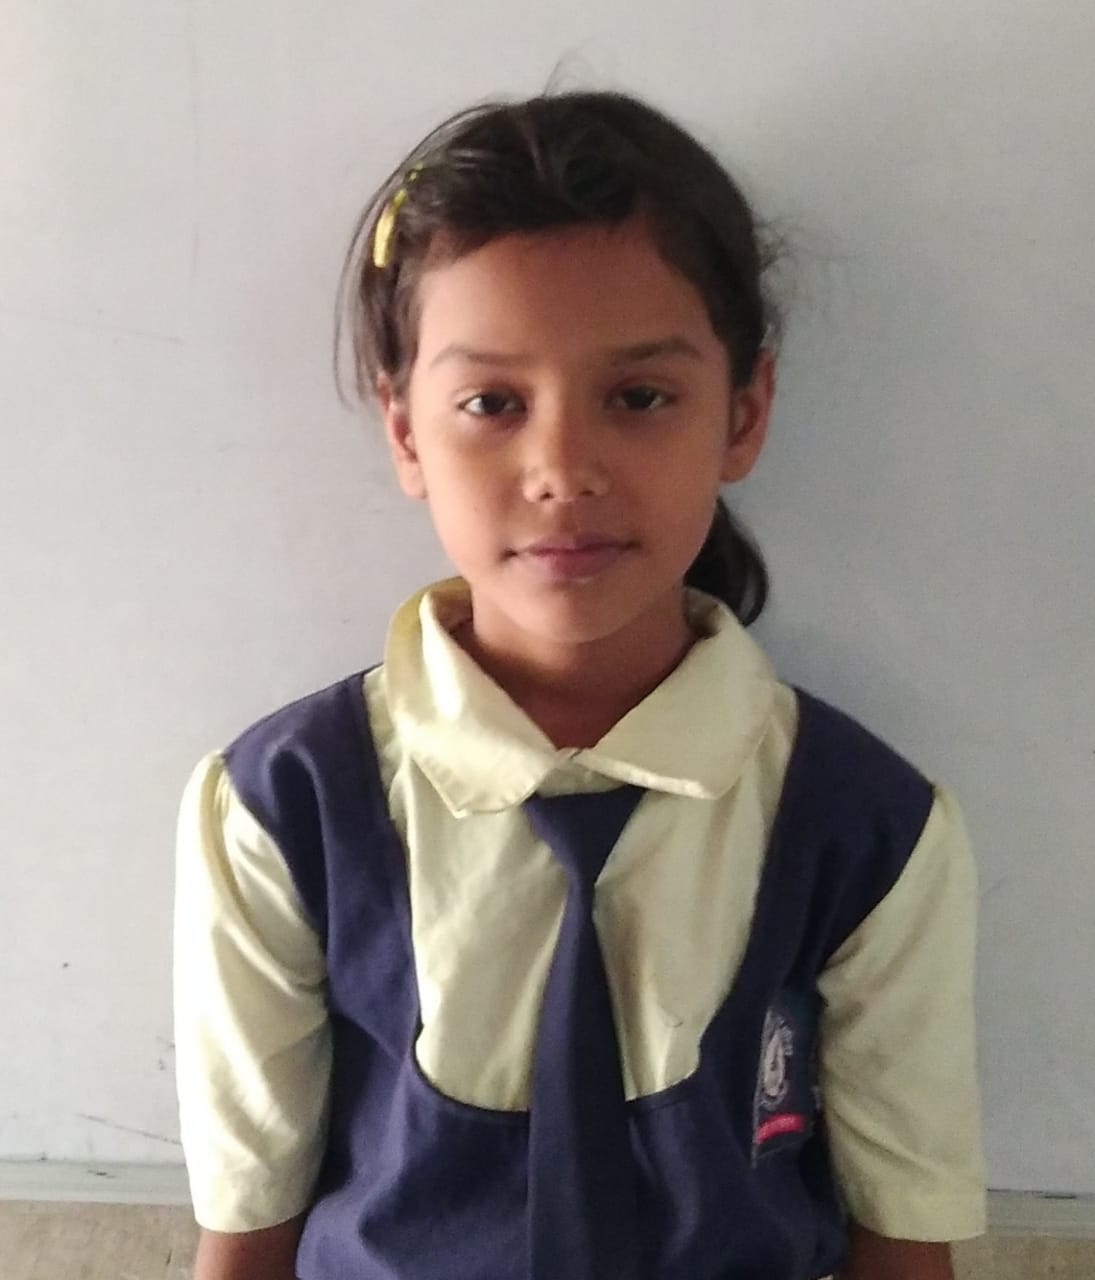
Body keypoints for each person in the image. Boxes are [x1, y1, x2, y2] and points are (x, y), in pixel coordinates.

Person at [174, 89, 987, 1280]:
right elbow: (248, 1231)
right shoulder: (279, 809)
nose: (562, 468)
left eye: (640, 397)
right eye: (491, 404)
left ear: (744, 412)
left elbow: (902, 1240)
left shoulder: (870, 830)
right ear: (406, 431)